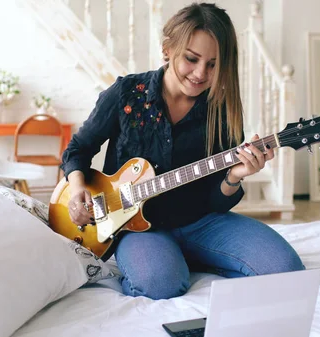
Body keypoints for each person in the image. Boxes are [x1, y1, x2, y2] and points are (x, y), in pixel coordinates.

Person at [60, 2, 304, 300]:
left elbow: (217, 201)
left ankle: (189, 257)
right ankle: (169, 259)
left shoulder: (223, 109)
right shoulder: (126, 94)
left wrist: (235, 177)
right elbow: (79, 148)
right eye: (191, 59)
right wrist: (76, 189)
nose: (200, 73)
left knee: (287, 269)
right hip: (139, 228)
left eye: (213, 64)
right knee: (160, 284)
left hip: (202, 221)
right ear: (167, 50)